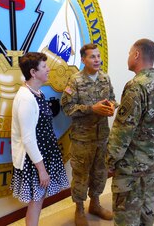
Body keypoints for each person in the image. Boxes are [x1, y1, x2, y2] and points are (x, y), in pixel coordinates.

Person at [106, 38, 154, 226]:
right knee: (146, 210)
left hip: (131, 166)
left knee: (126, 215)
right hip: (151, 160)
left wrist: (110, 160)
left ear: (136, 54)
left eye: (129, 53)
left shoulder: (136, 85)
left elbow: (122, 131)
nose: (128, 57)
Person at [10, 52, 69, 226]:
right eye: (44, 66)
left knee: (39, 198)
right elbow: (28, 139)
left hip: (44, 154)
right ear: (33, 72)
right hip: (35, 159)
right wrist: (41, 170)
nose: (48, 69)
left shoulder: (37, 93)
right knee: (36, 199)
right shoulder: (26, 99)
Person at [60, 43, 116, 226]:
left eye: (98, 56)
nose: (97, 60)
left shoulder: (105, 78)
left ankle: (95, 204)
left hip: (102, 137)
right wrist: (92, 109)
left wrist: (112, 106)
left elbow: (113, 99)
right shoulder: (75, 81)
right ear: (83, 59)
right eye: (93, 57)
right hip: (82, 139)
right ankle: (80, 209)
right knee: (81, 175)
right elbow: (67, 108)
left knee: (100, 173)